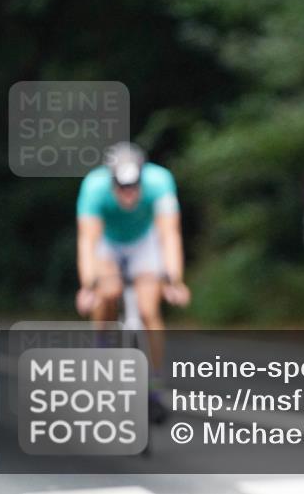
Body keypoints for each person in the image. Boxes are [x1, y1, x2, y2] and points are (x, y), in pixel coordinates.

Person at [75, 141, 190, 420]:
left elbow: (169, 235)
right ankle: (102, 345)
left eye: (134, 187)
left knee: (149, 310)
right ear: (112, 180)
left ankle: (155, 385)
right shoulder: (94, 187)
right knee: (107, 293)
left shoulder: (160, 182)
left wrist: (174, 279)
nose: (128, 195)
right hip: (109, 243)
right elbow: (88, 241)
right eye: (122, 188)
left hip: (143, 242)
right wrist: (88, 285)